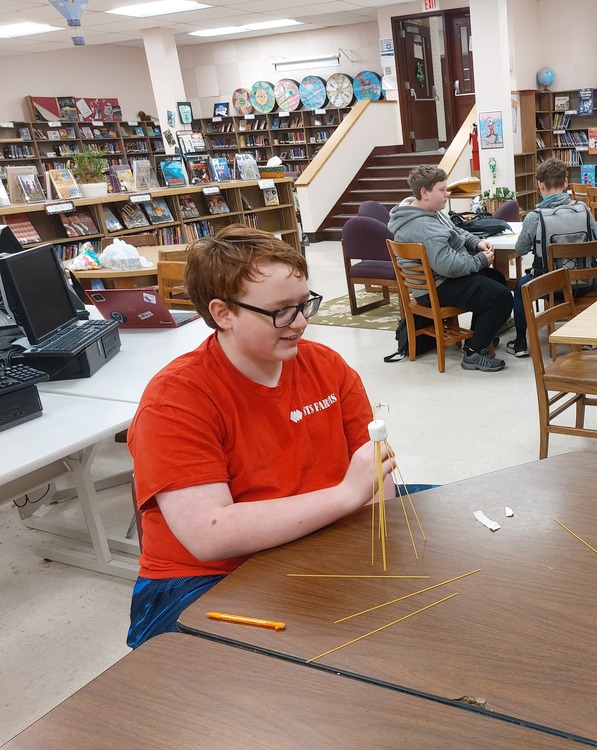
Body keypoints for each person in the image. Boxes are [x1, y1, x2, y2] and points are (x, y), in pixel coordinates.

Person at [126, 225, 394, 647]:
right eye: (281, 311)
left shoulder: (327, 366)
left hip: (314, 537)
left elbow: (376, 480)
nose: (301, 322)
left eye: (305, 304)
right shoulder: (175, 400)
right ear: (223, 313)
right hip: (207, 578)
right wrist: (347, 495)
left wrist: (363, 542)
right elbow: (210, 534)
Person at [388, 165, 513, 372]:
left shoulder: (427, 212)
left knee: (496, 278)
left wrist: (476, 243)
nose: (447, 194)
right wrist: (480, 260)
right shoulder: (424, 226)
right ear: (425, 193)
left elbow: (456, 231)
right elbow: (448, 266)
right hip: (436, 287)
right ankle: (474, 352)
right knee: (502, 297)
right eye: (442, 190)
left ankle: (479, 335)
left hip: (439, 279)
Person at [508, 158, 597, 357]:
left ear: (539, 185)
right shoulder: (583, 209)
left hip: (548, 287)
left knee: (519, 288)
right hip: (584, 284)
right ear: (565, 183)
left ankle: (520, 342)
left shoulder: (535, 217)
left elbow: (520, 248)